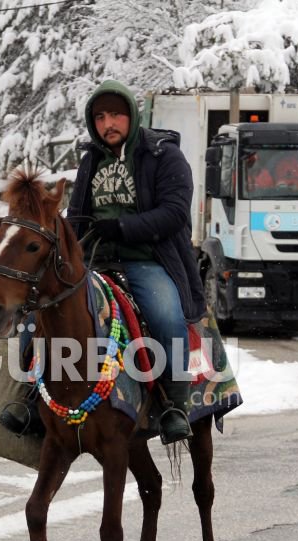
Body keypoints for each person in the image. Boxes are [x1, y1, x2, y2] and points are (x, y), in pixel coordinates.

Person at [67, 79, 206, 444]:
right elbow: (75, 217)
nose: (107, 123)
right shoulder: (90, 161)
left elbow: (175, 213)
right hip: (94, 263)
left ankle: (175, 405)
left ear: (132, 114)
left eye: (115, 114)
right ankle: (30, 398)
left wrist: (123, 228)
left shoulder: (164, 155)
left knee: (165, 313)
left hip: (147, 260)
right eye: (99, 117)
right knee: (41, 309)